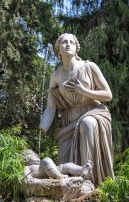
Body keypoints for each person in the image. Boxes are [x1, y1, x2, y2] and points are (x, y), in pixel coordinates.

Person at [39, 33, 114, 185]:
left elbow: (108, 95)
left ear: (76, 48)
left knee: (87, 124)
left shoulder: (89, 67)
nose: (68, 44)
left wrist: (83, 91)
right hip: (68, 119)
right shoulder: (56, 76)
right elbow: (51, 106)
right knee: (63, 165)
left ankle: (89, 180)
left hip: (93, 112)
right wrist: (42, 127)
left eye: (71, 42)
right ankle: (71, 187)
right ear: (58, 50)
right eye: (64, 42)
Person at [23, 149, 93, 179]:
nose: (37, 155)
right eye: (33, 154)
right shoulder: (27, 167)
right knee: (46, 160)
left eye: (36, 154)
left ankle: (81, 170)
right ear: (25, 158)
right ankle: (59, 176)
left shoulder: (39, 164)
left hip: (53, 169)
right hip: (43, 172)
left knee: (67, 165)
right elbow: (26, 177)